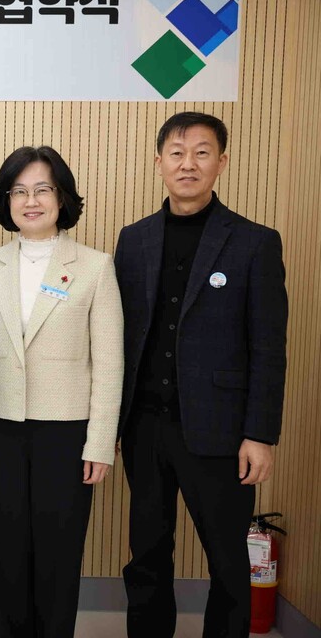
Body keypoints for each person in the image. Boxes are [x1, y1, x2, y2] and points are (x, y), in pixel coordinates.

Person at [116, 112, 287, 638]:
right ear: (159, 162)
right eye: (176, 152)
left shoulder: (255, 242)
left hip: (222, 430)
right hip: (144, 426)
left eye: (202, 152)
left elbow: (268, 346)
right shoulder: (133, 240)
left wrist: (260, 434)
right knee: (147, 552)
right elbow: (121, 335)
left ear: (222, 162)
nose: (187, 163)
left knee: (228, 560)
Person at [0, 146, 123, 637]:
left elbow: (110, 362)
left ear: (62, 197)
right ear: (6, 201)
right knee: (5, 548)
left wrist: (99, 442)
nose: (31, 201)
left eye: (42, 190)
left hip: (66, 432)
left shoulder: (94, 266)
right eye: (19, 191)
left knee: (59, 552)